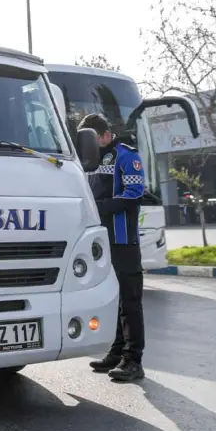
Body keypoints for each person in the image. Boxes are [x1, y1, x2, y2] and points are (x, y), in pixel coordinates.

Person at [78, 113, 146, 381]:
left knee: (130, 301)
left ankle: (133, 359)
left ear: (106, 135)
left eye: (93, 139)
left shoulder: (127, 156)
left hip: (123, 240)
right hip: (99, 242)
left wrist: (96, 209)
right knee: (112, 299)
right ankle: (117, 352)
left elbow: (133, 195)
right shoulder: (89, 160)